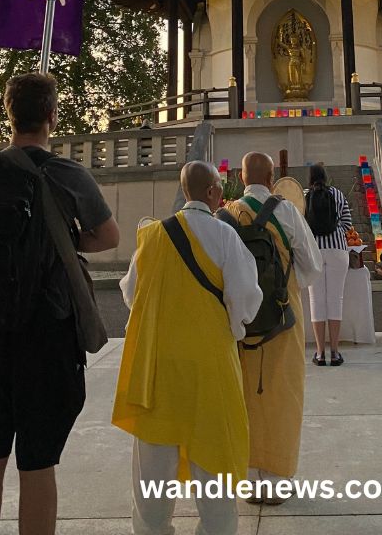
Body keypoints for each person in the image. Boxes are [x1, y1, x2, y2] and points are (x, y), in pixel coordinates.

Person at [0, 72, 119, 535]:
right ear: (52, 115)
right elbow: (108, 236)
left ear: (10, 113)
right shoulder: (69, 174)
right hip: (47, 329)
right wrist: (62, 238)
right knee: (37, 463)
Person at [113, 160, 262, 535]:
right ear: (214, 193)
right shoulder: (225, 236)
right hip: (209, 361)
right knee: (214, 455)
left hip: (158, 362)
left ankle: (151, 529)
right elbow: (245, 299)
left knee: (154, 459)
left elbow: (131, 293)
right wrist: (232, 327)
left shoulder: (151, 237)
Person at [222, 152, 321, 500]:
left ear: (240, 175)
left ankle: (247, 479)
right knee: (282, 396)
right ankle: (277, 482)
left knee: (244, 396)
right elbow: (312, 267)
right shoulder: (286, 211)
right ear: (271, 178)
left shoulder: (228, 213)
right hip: (282, 316)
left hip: (239, 322)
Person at [305, 164, 352, 366]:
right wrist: (335, 230)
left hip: (314, 251)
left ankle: (319, 353)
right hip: (338, 250)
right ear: (326, 177)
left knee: (316, 301)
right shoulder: (338, 194)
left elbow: (301, 224)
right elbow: (348, 223)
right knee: (335, 299)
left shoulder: (305, 195)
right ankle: (334, 352)